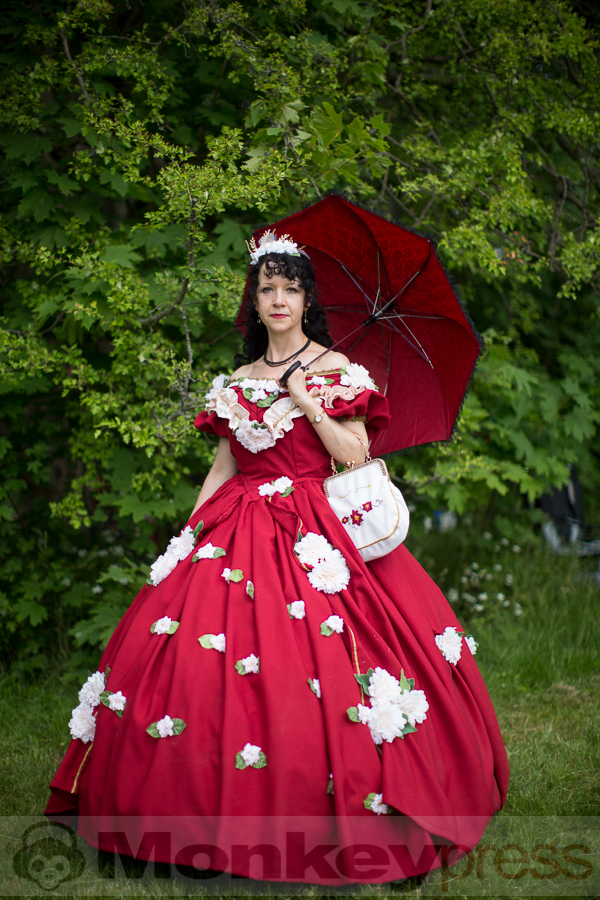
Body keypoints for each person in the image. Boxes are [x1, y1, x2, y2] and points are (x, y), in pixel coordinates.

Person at [46, 234, 509, 886]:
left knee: (334, 662)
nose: (280, 299)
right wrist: (186, 538)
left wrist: (307, 400)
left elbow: (352, 454)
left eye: (291, 288)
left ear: (307, 299)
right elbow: (226, 462)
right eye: (268, 289)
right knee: (190, 661)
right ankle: (171, 822)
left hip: (315, 529)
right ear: (255, 301)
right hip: (236, 526)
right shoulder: (238, 381)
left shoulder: (337, 369)